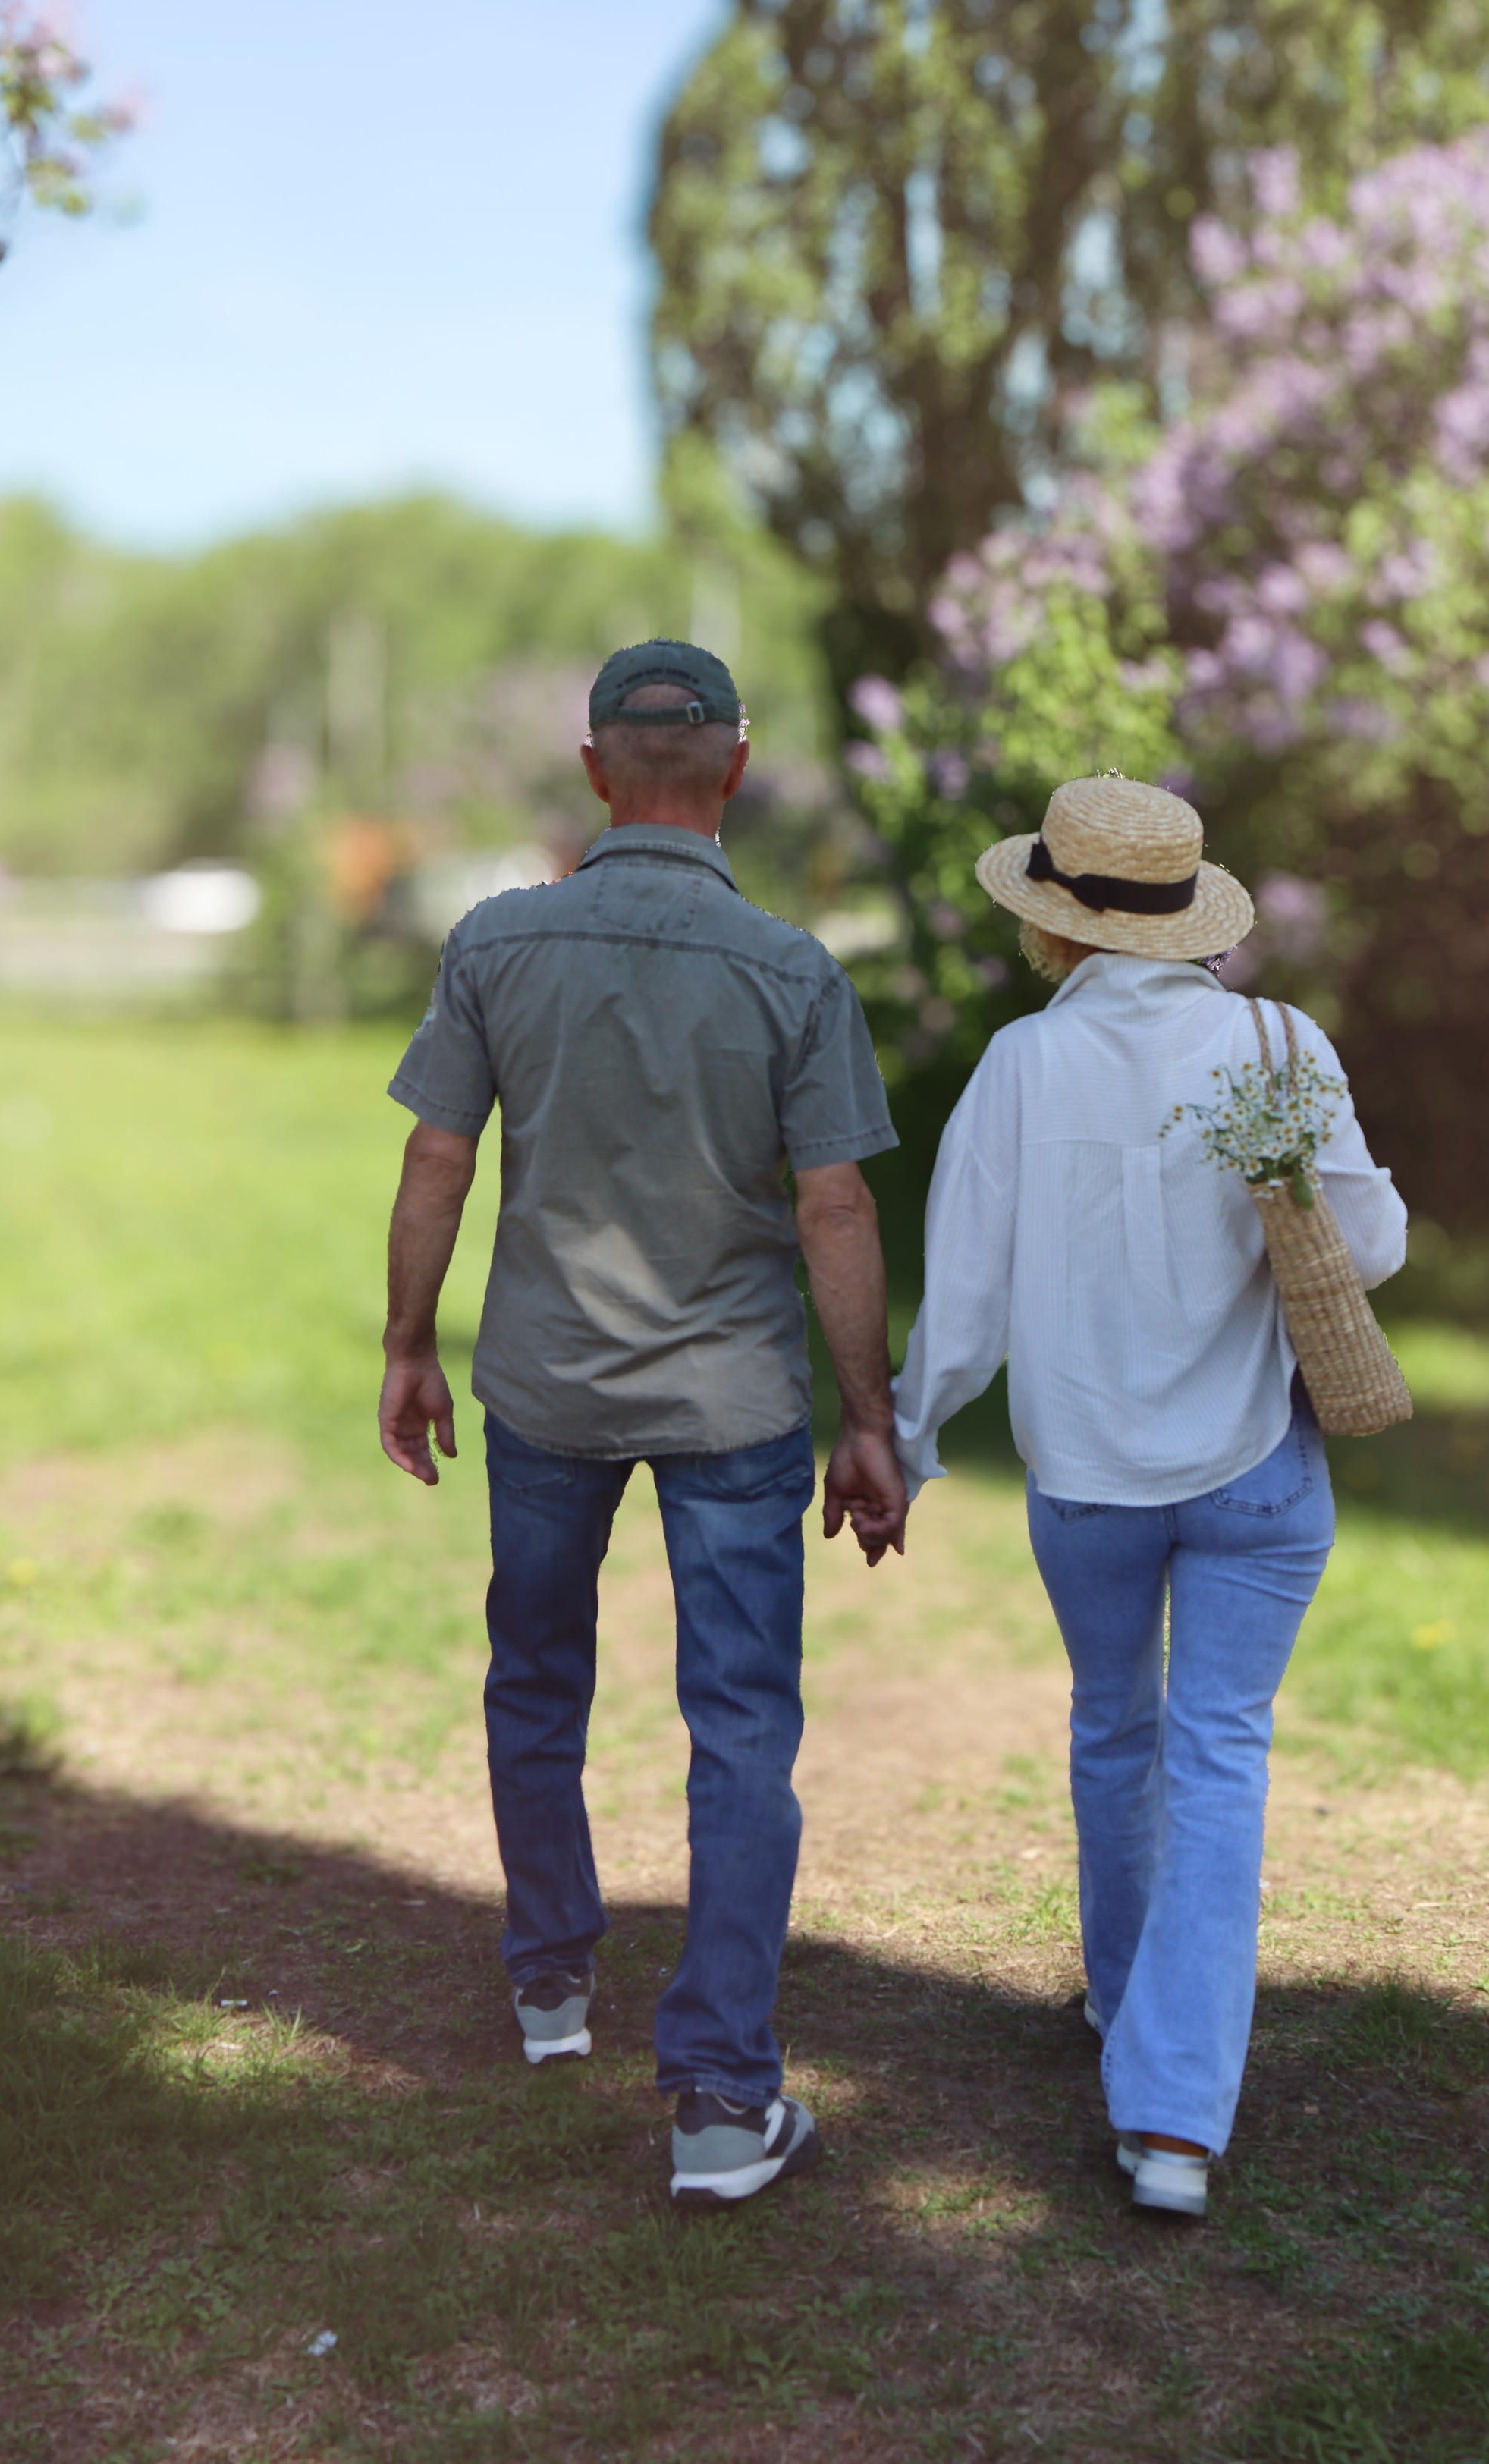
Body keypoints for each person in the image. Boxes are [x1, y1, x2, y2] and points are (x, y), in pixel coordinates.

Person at [378, 640, 910, 2205]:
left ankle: (549, 1983)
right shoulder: (794, 972)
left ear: (597, 769)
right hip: (734, 1401)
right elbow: (833, 1203)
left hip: (544, 1383)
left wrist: (409, 1343)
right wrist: (864, 1420)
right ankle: (720, 2105)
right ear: (732, 771)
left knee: (534, 1673)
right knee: (740, 1726)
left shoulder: (497, 943)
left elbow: (434, 1163)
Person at [891, 775, 1406, 2219]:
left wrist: (913, 1439)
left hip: (1091, 1480)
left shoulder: (1016, 1069)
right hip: (1255, 1466)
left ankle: (1128, 2018)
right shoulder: (1276, 1042)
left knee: (1115, 1733)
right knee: (1221, 1756)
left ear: (1055, 924)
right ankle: (1173, 2119)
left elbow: (970, 1302)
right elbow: (1367, 1247)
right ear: (1189, 915)